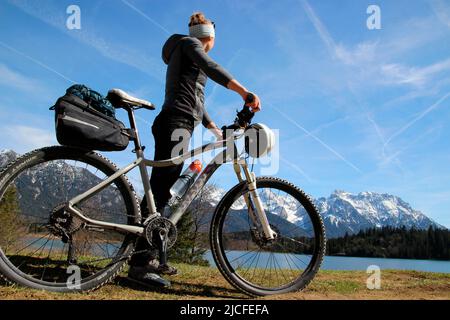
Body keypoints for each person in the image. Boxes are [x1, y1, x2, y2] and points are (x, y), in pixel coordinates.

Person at [128, 12, 261, 287]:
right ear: (210, 36)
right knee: (162, 186)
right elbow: (211, 67)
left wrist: (213, 129)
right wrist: (244, 92)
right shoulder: (191, 46)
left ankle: (147, 255)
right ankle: (142, 264)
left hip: (178, 119)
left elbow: (194, 98)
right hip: (177, 122)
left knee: (160, 187)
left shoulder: (184, 50)